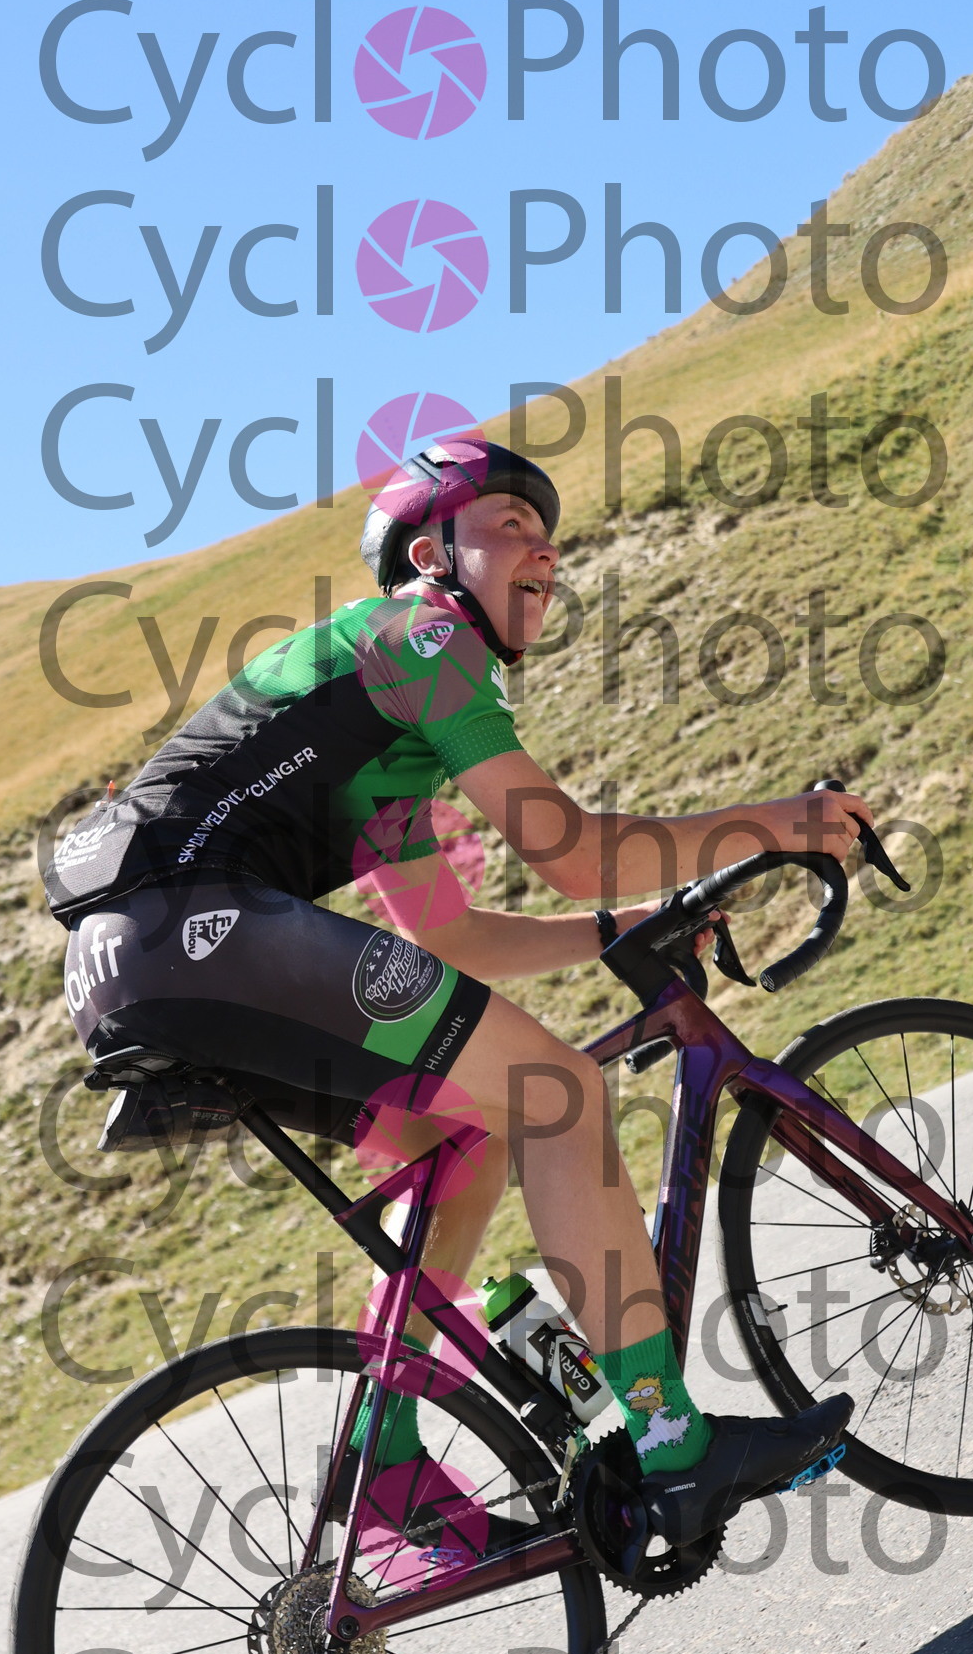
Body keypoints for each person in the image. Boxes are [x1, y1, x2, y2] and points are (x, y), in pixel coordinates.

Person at [44, 436, 866, 1551]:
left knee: (466, 1140)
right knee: (559, 1095)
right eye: (511, 525)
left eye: (549, 535)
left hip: (131, 966)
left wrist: (615, 932)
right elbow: (568, 848)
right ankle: (671, 1439)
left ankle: (383, 1464)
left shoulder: (372, 727)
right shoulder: (424, 639)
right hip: (199, 928)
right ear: (433, 557)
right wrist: (776, 824)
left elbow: (449, 933)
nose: (546, 551)